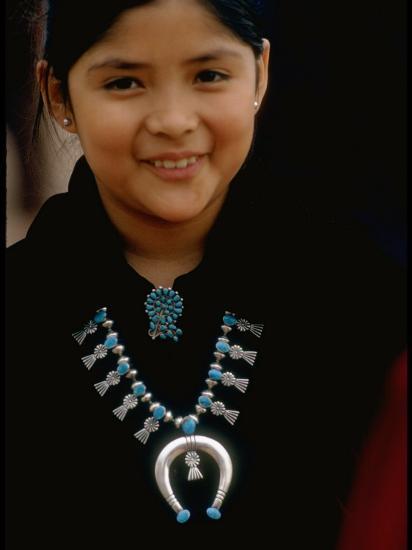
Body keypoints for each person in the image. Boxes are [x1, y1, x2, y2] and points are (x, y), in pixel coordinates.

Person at [5, 1, 405, 548]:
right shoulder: (21, 303)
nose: (173, 120)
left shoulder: (358, 296)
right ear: (58, 95)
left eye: (209, 76)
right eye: (124, 82)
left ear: (259, 74)